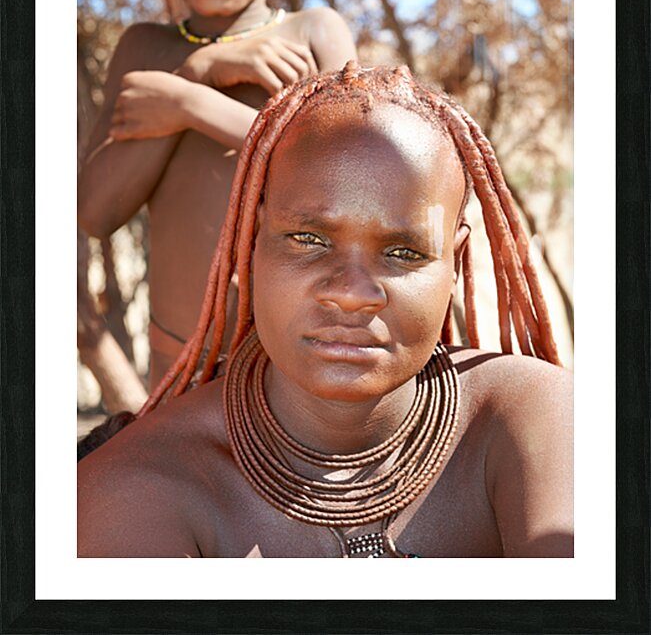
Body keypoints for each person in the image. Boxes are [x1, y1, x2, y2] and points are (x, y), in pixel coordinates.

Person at [78, 63, 573, 558]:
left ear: (455, 262)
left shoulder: (532, 423)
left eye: (404, 252)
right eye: (308, 239)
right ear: (250, 246)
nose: (353, 293)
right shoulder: (134, 488)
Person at [77, 0, 357, 387]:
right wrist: (201, 68)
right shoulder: (146, 48)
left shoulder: (313, 34)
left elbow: (344, 185)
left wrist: (191, 104)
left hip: (299, 379)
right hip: (179, 373)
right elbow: (94, 211)